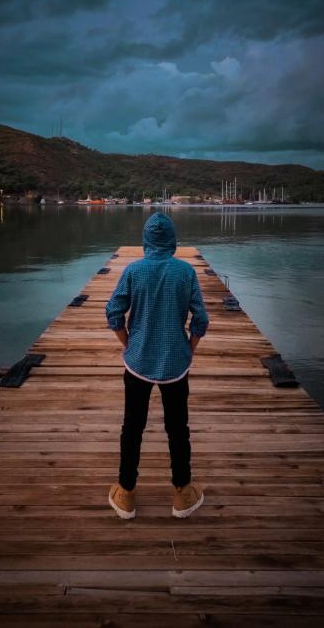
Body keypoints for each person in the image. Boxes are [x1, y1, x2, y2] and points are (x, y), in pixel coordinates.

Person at [105, 211, 209, 519]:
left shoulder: (133, 271)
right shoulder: (185, 272)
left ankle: (125, 493)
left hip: (137, 362)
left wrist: (128, 343)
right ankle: (183, 493)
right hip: (176, 362)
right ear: (173, 241)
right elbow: (200, 318)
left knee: (132, 427)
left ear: (146, 240)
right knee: (178, 428)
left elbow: (114, 312)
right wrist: (189, 348)